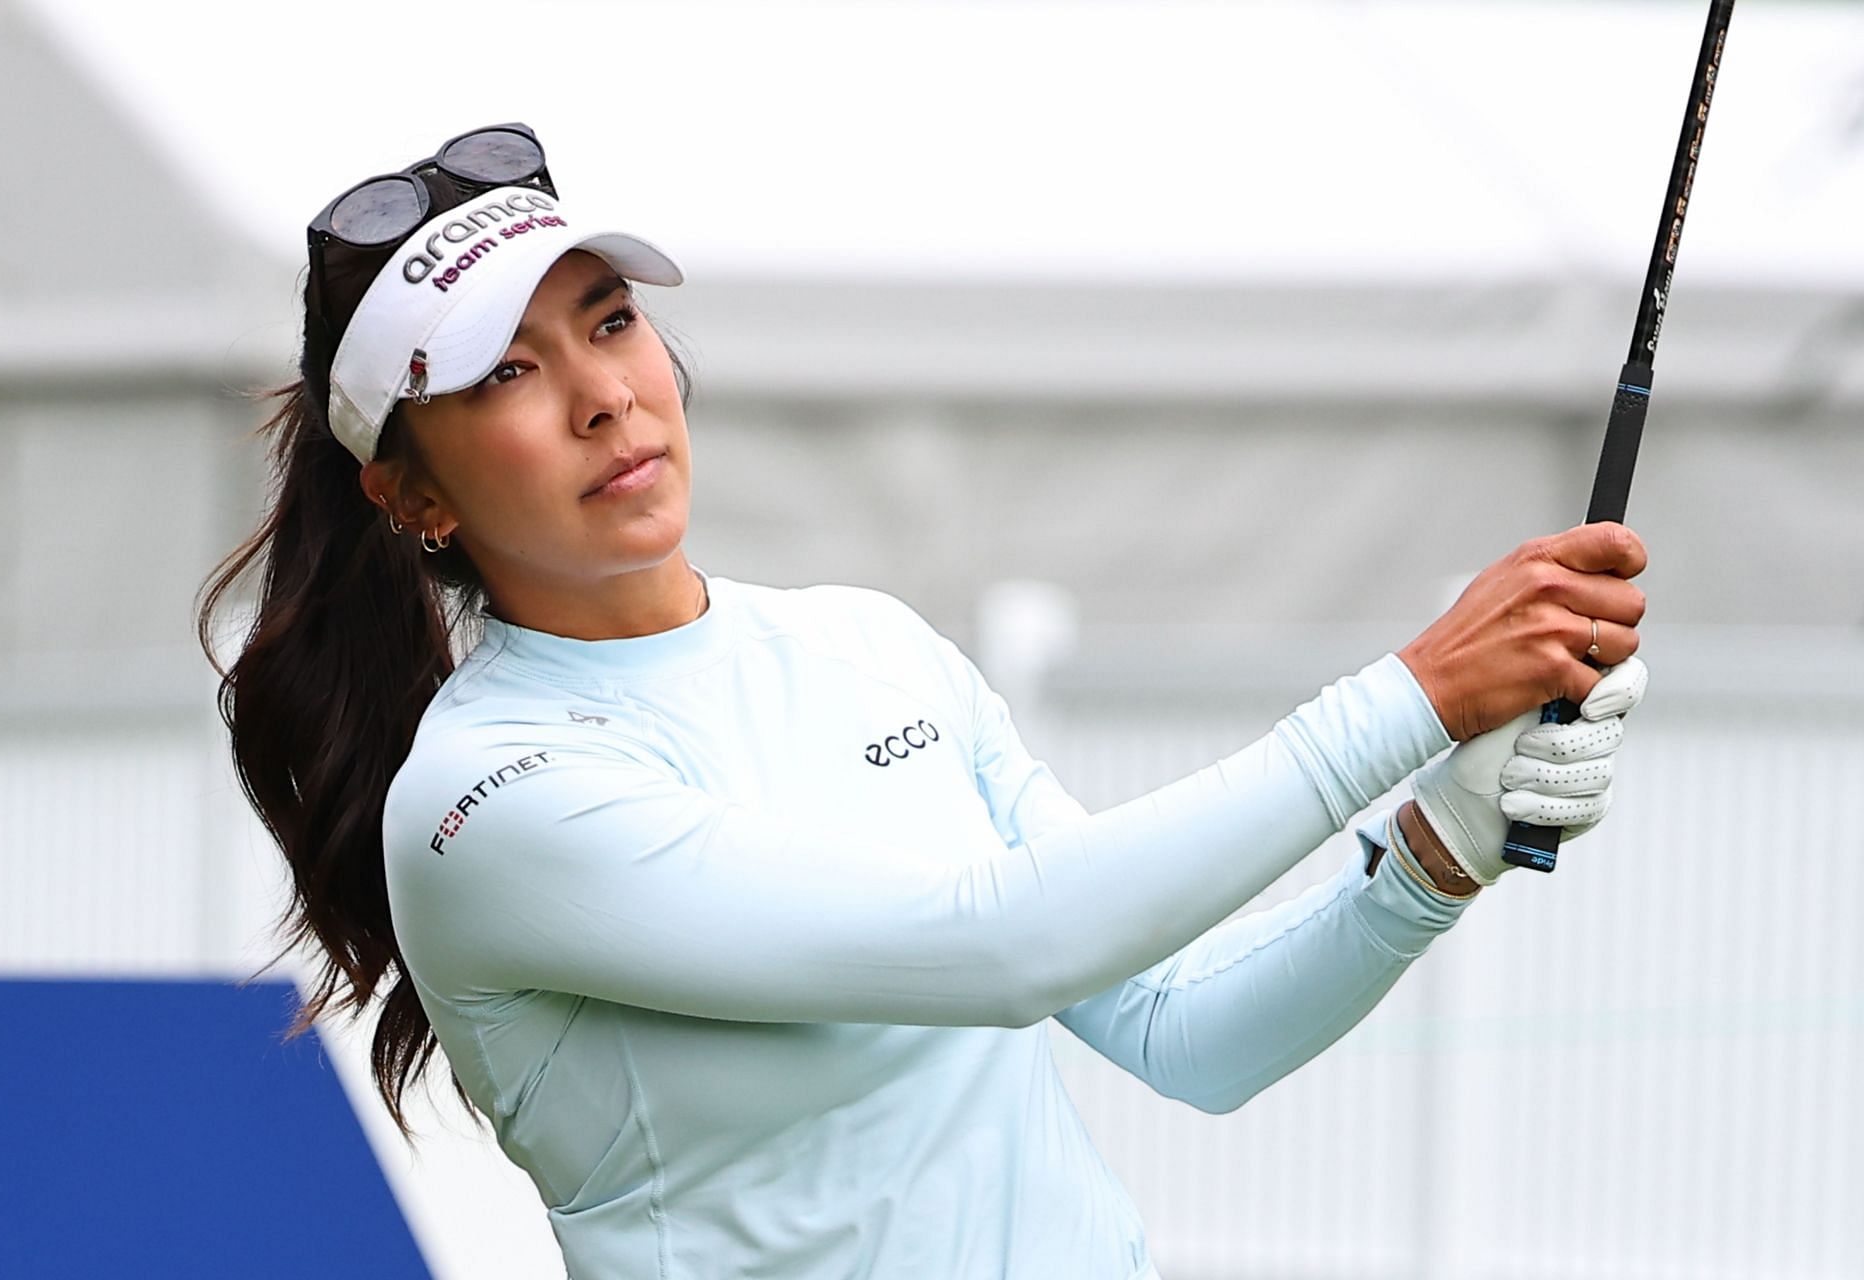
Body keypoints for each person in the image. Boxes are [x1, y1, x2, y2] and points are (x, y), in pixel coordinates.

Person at [199, 122, 1650, 1280]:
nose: (606, 395)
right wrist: (1415, 695)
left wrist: (1435, 853)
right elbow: (1008, 945)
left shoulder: (865, 647)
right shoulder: (489, 801)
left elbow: (1180, 1035)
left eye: (612, 321)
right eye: (510, 369)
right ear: (410, 493)